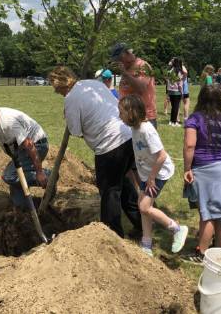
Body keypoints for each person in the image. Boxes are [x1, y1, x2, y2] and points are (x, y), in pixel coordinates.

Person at [49, 66, 141, 238]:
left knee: (110, 191)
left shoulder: (71, 99)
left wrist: (68, 116)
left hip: (110, 146)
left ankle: (112, 235)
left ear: (61, 84)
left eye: (56, 89)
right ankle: (141, 223)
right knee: (124, 186)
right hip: (128, 136)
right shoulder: (93, 84)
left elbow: (75, 130)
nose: (57, 92)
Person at [118, 94, 187, 256]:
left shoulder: (146, 130)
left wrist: (151, 178)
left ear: (131, 112)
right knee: (143, 207)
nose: (119, 115)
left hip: (158, 174)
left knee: (144, 206)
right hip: (147, 174)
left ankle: (177, 228)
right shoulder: (135, 129)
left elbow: (161, 156)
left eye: (121, 112)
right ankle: (147, 243)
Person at [183, 86, 221, 263]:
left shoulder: (195, 119)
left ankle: (202, 253)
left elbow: (190, 146)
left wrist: (187, 168)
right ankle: (218, 247)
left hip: (203, 168)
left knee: (207, 213)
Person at [0, 102, 49, 208]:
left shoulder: (8, 123)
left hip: (37, 145)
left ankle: (48, 177)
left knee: (10, 176)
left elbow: (29, 145)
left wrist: (39, 172)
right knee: (16, 186)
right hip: (21, 150)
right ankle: (24, 209)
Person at [110, 43, 158, 128]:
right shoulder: (127, 68)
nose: (118, 62)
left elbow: (141, 88)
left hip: (144, 119)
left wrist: (125, 74)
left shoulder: (143, 66)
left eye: (120, 59)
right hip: (128, 118)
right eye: (117, 60)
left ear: (127, 54)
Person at [165, 57, 185, 127]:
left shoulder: (170, 71)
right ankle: (174, 122)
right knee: (176, 107)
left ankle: (171, 121)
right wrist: (182, 92)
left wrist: (167, 91)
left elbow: (167, 81)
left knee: (173, 106)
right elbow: (180, 84)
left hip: (170, 91)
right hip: (177, 91)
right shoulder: (179, 72)